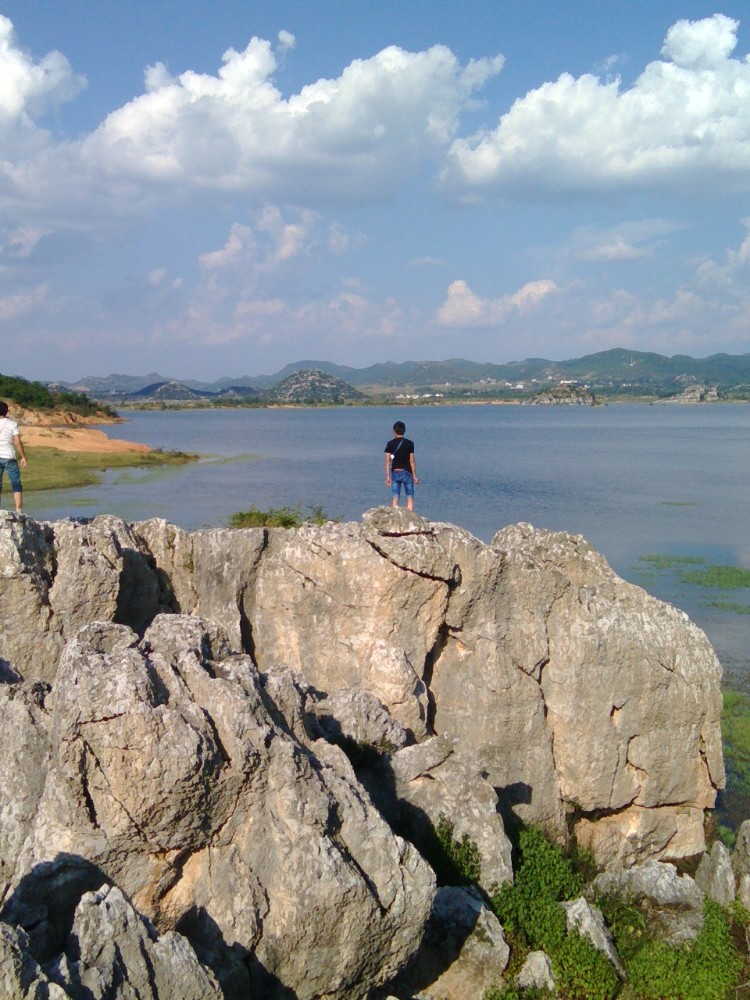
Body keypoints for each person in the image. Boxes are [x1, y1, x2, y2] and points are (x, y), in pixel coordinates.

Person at [384, 420, 419, 510]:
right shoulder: (410, 443)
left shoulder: (390, 444)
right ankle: (410, 516)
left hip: (395, 472)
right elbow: (412, 461)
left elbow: (387, 462)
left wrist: (388, 476)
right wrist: (414, 475)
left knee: (395, 497)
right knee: (410, 497)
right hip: (407, 472)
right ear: (404, 431)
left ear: (394, 431)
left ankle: (395, 517)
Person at [0, 401, 28, 513]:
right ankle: (18, 511)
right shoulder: (12, 424)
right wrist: (23, 457)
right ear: (6, 411)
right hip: (9, 456)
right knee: (16, 484)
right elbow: (17, 442)